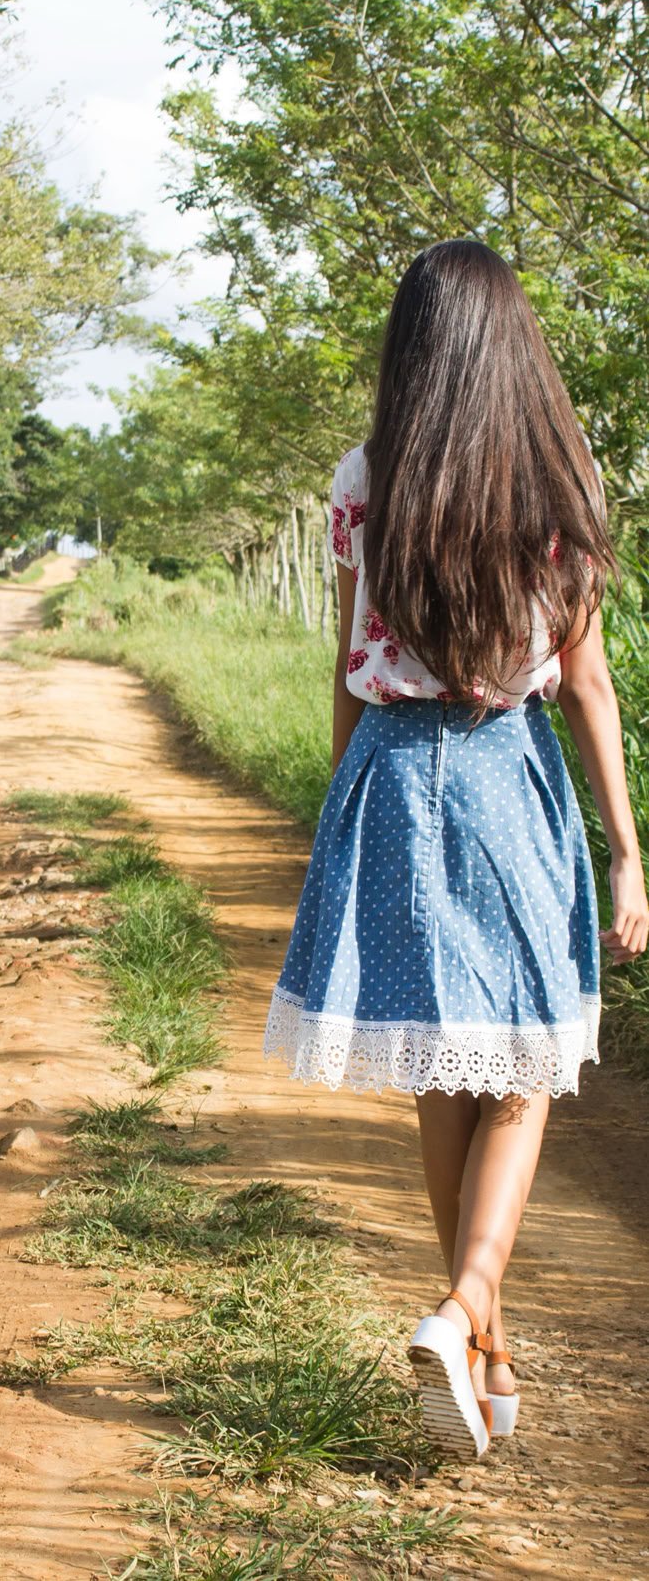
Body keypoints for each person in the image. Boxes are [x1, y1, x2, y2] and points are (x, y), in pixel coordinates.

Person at [262, 239, 648, 1462]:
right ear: (514, 345)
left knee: (446, 1071)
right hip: (502, 772)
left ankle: (483, 1341)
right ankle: (463, 1307)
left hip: (386, 774)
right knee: (523, 1072)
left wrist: (339, 813)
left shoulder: (366, 475)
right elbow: (584, 680)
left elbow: (344, 666)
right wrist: (629, 851)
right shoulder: (558, 478)